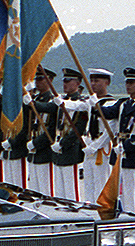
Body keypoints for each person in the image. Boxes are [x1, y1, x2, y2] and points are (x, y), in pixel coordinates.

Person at [31, 68, 88, 201]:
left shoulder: (81, 102)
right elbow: (48, 108)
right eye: (64, 81)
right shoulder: (59, 100)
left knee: (71, 193)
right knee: (59, 194)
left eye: (68, 81)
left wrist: (62, 144)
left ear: (78, 83)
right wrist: (31, 103)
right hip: (57, 154)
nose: (65, 84)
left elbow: (78, 129)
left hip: (70, 152)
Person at [100, 67, 135, 213]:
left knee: (130, 190)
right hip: (117, 153)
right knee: (116, 191)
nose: (128, 85)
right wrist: (95, 104)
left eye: (132, 82)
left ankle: (132, 220)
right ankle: (118, 219)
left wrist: (127, 145)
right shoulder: (123, 103)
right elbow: (108, 114)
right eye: (127, 82)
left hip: (131, 153)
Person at [81, 68, 116, 202]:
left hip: (102, 149)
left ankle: (101, 215)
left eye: (97, 81)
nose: (93, 84)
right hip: (89, 146)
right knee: (88, 186)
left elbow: (110, 130)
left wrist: (95, 146)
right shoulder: (91, 102)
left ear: (107, 82)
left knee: (101, 186)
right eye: (92, 81)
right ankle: (90, 214)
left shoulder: (111, 103)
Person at [26, 68, 58, 196]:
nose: (37, 82)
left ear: (49, 80)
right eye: (36, 79)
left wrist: (36, 143)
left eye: (40, 79)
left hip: (44, 150)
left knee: (46, 190)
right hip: (33, 151)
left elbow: (51, 129)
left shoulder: (52, 100)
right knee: (34, 189)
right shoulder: (35, 99)